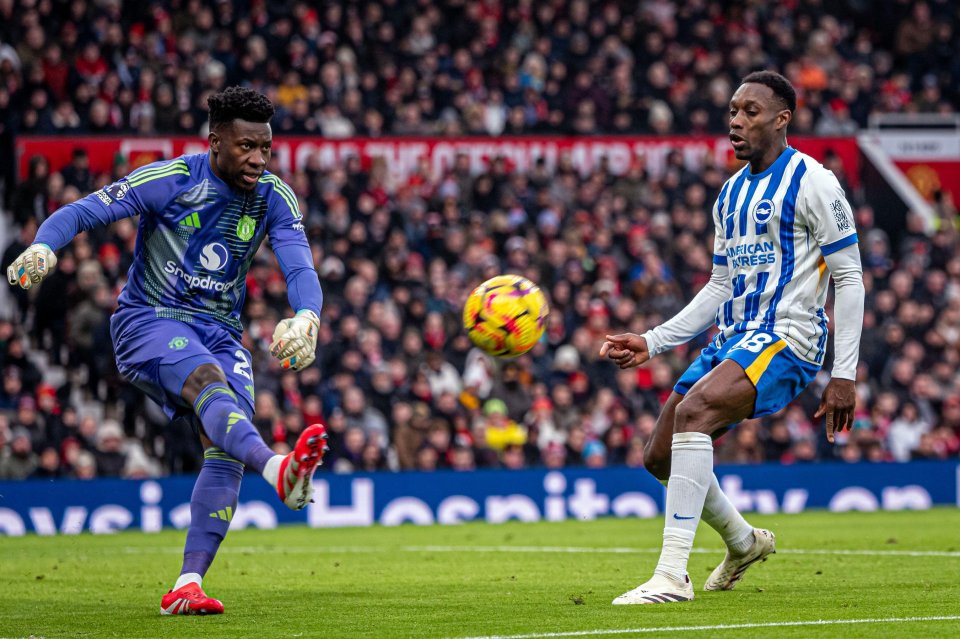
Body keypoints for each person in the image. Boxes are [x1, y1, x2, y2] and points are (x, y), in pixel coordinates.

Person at [7, 87, 329, 616]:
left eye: (265, 148)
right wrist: (45, 244)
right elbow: (87, 210)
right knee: (209, 385)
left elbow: (299, 266)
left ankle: (187, 584)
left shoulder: (275, 196)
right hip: (149, 320)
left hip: (221, 331)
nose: (258, 159)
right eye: (246, 146)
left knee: (225, 448)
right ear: (215, 142)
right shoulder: (172, 179)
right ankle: (279, 471)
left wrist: (307, 315)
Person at [600, 71, 864, 605]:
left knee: (694, 414)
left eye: (750, 112)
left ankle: (672, 575)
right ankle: (743, 542)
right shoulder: (730, 194)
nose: (736, 123)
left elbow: (850, 277)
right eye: (732, 112)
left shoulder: (814, 182)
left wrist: (844, 374)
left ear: (782, 119)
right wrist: (652, 341)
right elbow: (720, 286)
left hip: (790, 337)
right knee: (658, 457)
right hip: (734, 336)